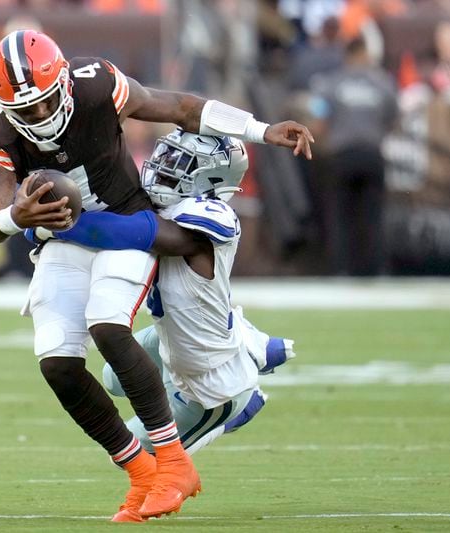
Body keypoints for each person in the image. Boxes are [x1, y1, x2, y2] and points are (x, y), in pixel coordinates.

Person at [0, 30, 313, 522]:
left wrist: (258, 129)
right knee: (56, 361)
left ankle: (174, 460)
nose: (41, 117)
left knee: (108, 325)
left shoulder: (98, 85)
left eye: (46, 104)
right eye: (27, 112)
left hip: (122, 229)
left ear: (65, 84)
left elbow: (181, 109)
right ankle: (140, 471)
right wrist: (15, 220)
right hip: (69, 239)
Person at [28, 130, 296, 457]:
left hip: (206, 378)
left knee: (135, 447)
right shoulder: (165, 202)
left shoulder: (208, 215)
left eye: (179, 162)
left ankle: (238, 407)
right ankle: (251, 341)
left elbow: (134, 232)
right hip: (173, 330)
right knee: (114, 376)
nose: (163, 166)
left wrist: (53, 226)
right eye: (166, 155)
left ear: (211, 177)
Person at [310, 36, 397, 276]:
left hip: (342, 154)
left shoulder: (330, 83)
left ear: (346, 55)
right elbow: (393, 117)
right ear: (366, 54)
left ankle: (341, 269)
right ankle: (376, 269)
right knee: (373, 215)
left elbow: (318, 118)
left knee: (340, 215)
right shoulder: (382, 83)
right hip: (372, 153)